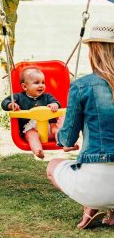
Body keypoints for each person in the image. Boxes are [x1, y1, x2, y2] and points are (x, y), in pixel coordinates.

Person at [46, 21, 114, 229]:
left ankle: (91, 205)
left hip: (95, 185)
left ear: (93, 50)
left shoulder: (82, 86)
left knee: (53, 166)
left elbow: (67, 140)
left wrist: (60, 129)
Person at [1, 66, 61, 159]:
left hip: (49, 127)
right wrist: (10, 105)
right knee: (31, 134)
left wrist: (55, 105)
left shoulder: (47, 97)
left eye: (43, 82)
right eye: (36, 83)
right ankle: (38, 150)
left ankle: (65, 144)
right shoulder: (19, 97)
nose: (41, 85)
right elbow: (4, 102)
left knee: (57, 129)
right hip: (30, 128)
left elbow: (57, 103)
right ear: (25, 86)